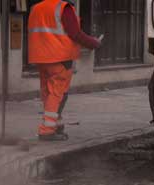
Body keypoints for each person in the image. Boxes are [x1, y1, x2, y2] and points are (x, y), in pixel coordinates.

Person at [28, 0, 102, 141]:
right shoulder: (64, 8)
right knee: (58, 93)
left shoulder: (36, 8)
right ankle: (47, 130)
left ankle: (53, 123)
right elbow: (75, 33)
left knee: (48, 92)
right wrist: (94, 43)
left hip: (40, 56)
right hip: (59, 57)